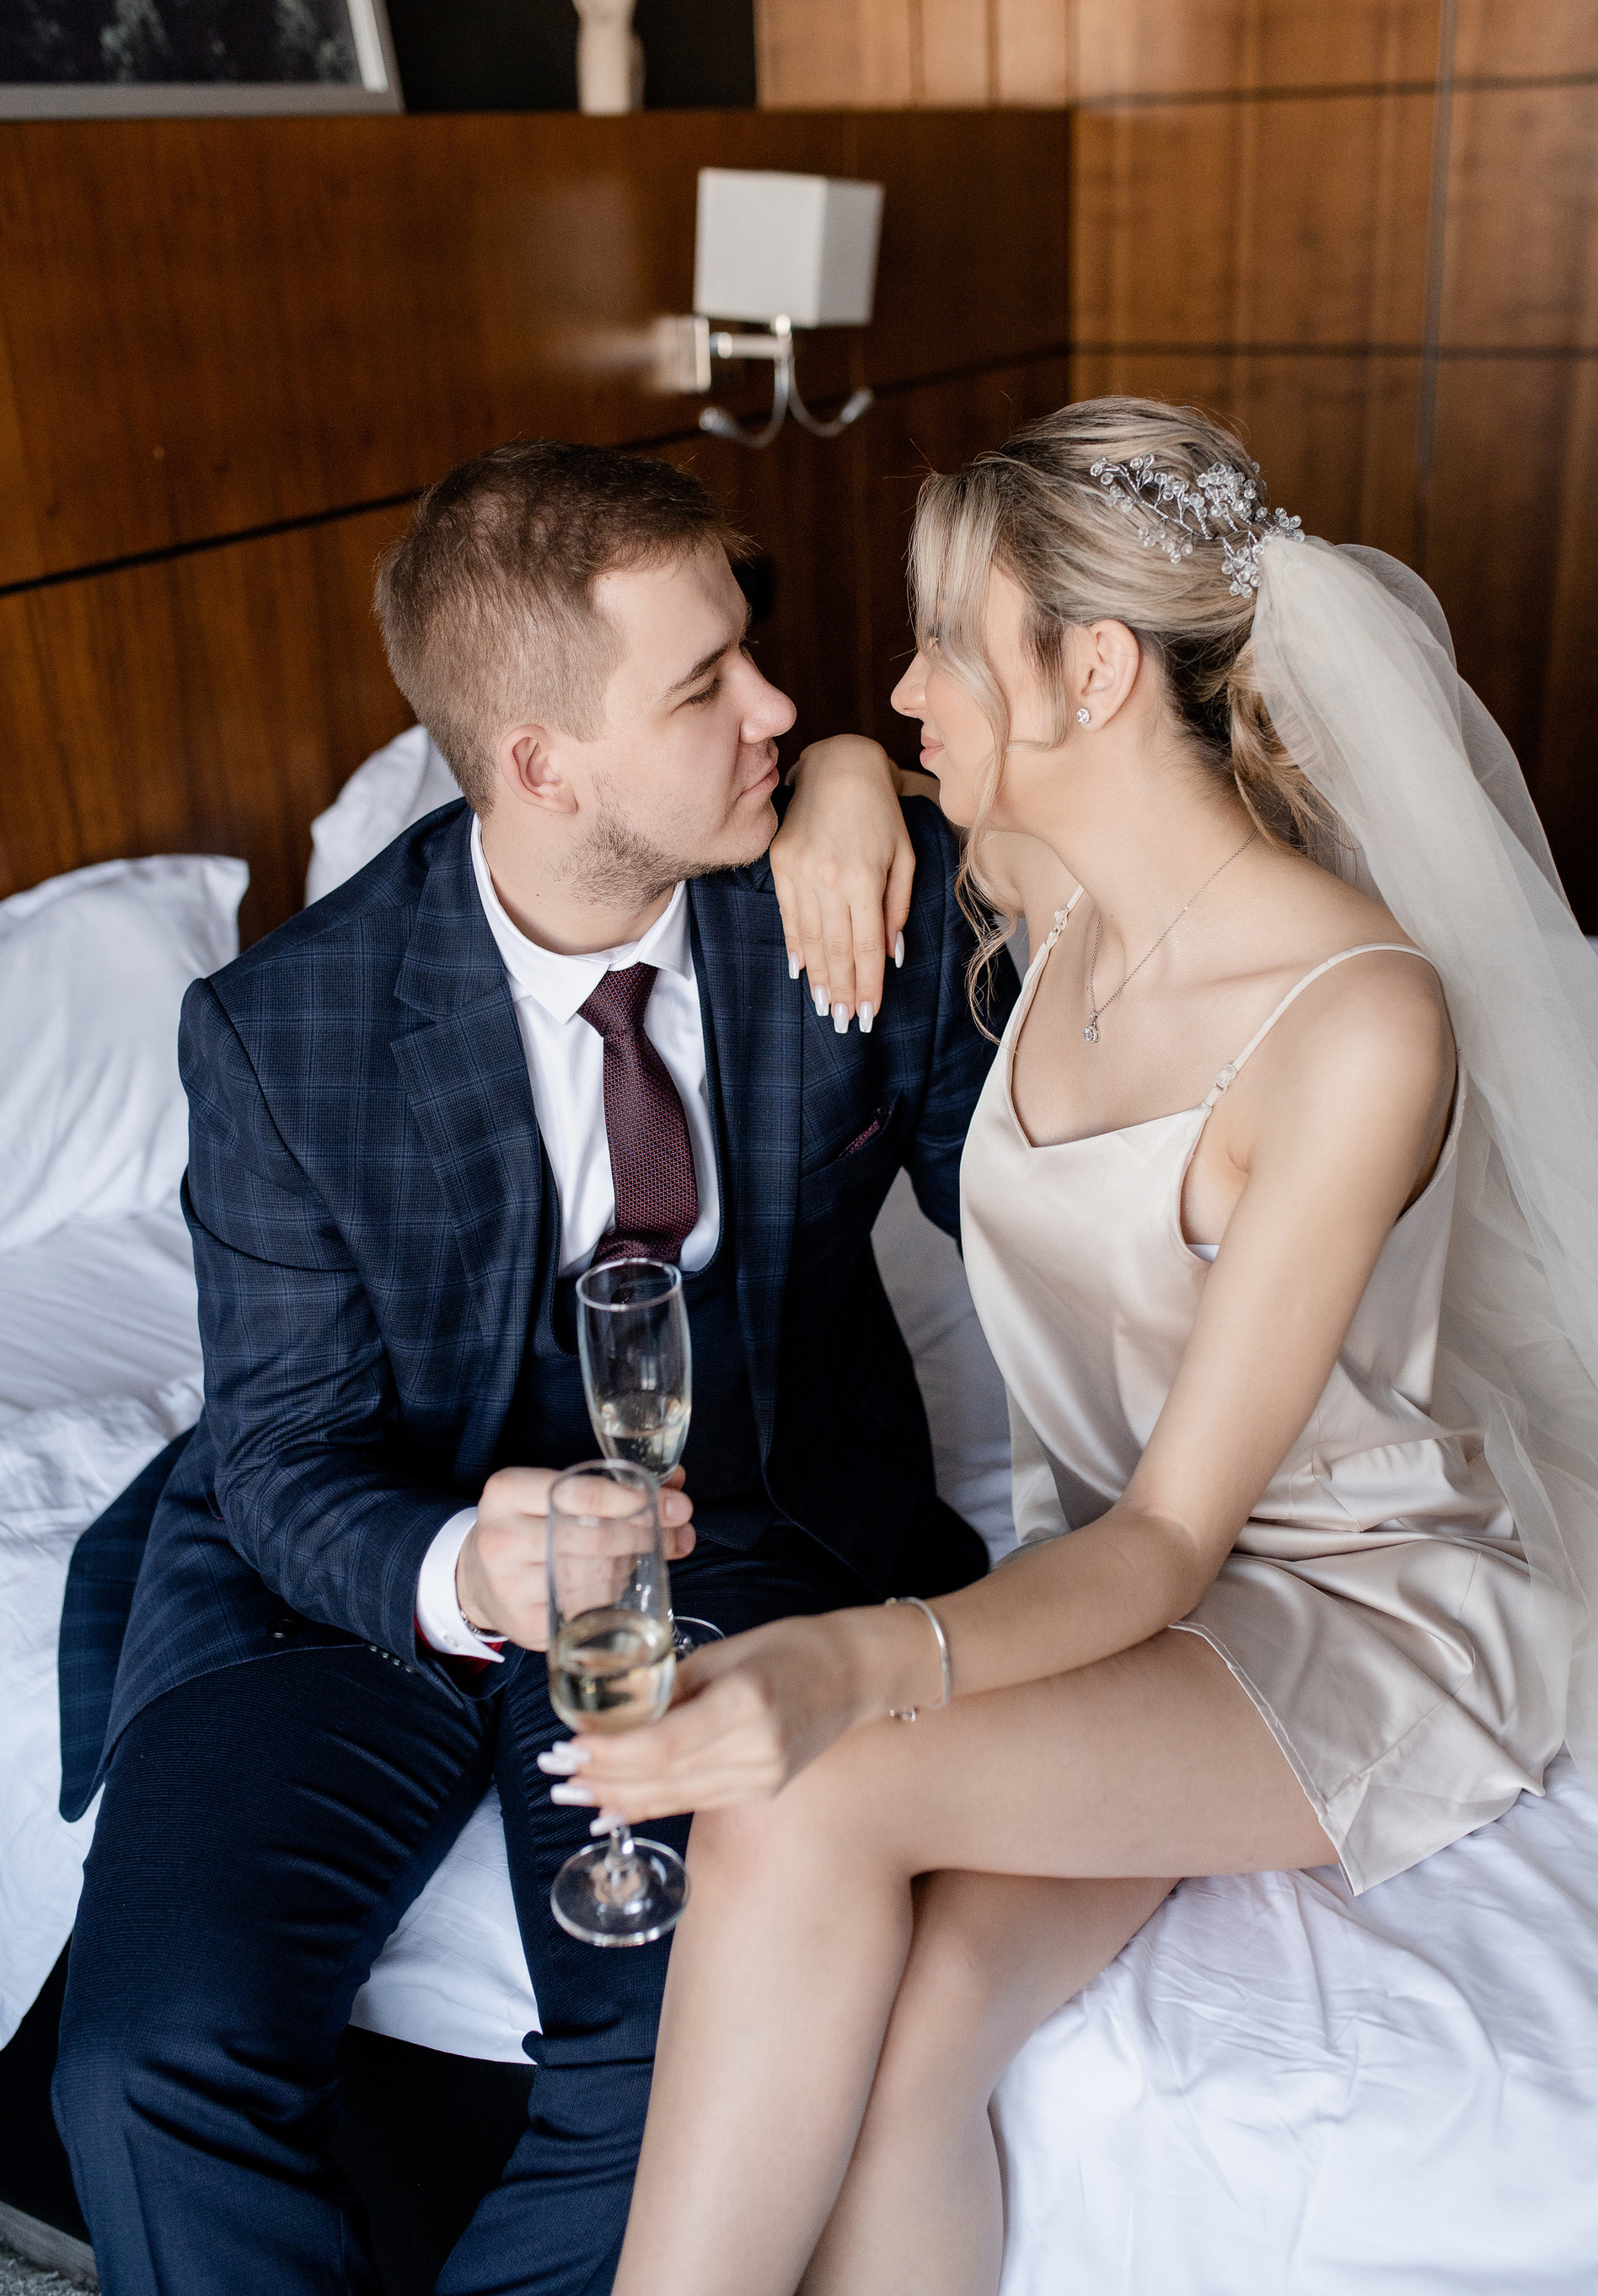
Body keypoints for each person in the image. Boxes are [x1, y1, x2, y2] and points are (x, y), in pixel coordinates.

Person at [535, 399, 1598, 2296]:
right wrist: (848, 767)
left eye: (942, 644)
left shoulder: (1354, 1023)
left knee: (817, 1786)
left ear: (1096, 673)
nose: (898, 685)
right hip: (1114, 1599)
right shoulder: (1047, 890)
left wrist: (859, 1660)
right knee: (919, 2049)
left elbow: (1183, 1538)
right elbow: (816, 789)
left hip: (1340, 1610)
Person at [51, 439, 1007, 2296]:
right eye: (705, 686)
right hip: (355, 1568)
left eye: (754, 655)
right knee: (146, 2064)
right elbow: (281, 1454)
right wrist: (460, 1570)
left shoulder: (846, 897)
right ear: (542, 766)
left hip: (731, 1532)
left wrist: (866, 776)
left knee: (692, 2062)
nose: (774, 703)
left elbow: (1053, 1218)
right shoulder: (281, 1033)